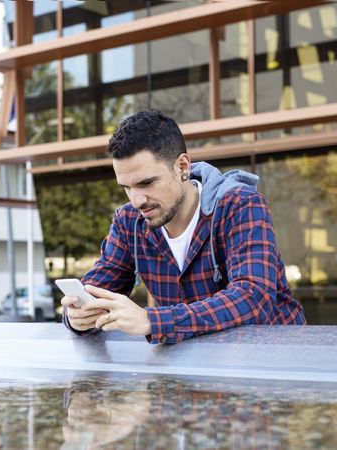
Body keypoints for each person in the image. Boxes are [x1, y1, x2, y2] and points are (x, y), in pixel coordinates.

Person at [62, 110, 306, 344]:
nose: (136, 200)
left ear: (182, 167)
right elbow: (95, 290)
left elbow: (253, 298)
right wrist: (77, 317)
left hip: (273, 364)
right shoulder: (130, 222)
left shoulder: (239, 205)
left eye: (147, 182)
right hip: (191, 370)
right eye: (126, 187)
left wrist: (152, 320)